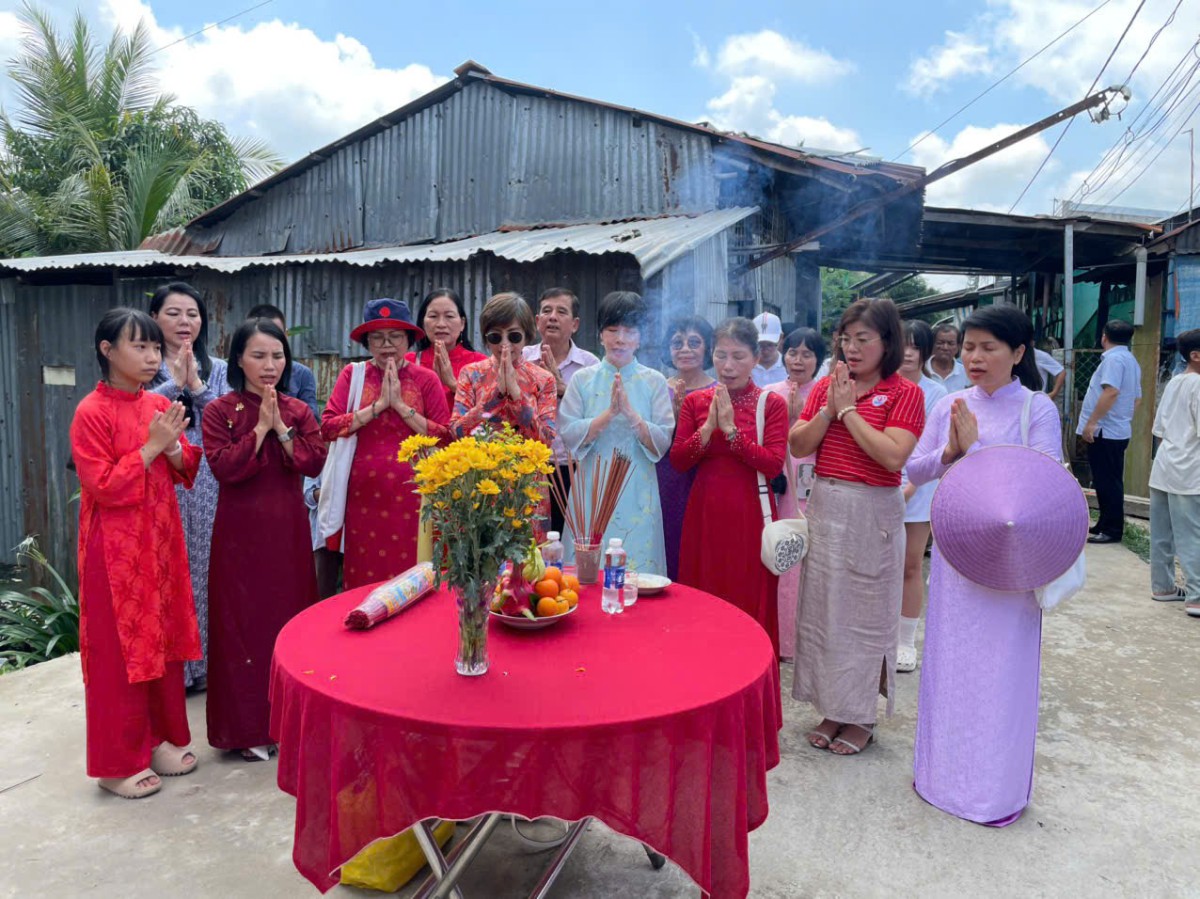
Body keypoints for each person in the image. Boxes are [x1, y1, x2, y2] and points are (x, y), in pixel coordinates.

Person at [907, 304, 1059, 826]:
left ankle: (992, 792)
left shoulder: (1036, 408)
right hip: (957, 553)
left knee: (1002, 673)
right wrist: (950, 453)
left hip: (1012, 563)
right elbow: (915, 468)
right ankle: (941, 777)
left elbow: (1044, 481)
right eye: (969, 347)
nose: (974, 357)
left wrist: (977, 448)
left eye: (988, 348)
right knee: (951, 664)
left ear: (1017, 353)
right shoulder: (950, 404)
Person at [70, 308, 202, 799]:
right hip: (114, 551)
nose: (150, 357)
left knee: (161, 643)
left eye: (154, 348)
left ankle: (158, 739)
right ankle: (116, 763)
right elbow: (102, 485)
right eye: (139, 346)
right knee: (118, 654)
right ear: (107, 350)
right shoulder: (90, 412)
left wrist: (170, 448)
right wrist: (151, 447)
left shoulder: (157, 404)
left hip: (160, 544)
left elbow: (186, 465)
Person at [789, 298, 925, 755]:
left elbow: (893, 456)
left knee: (866, 617)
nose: (851, 347)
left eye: (862, 339)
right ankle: (832, 708)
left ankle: (861, 714)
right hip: (827, 505)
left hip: (872, 510)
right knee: (825, 612)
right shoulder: (828, 386)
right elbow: (798, 444)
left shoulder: (905, 393)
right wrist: (829, 410)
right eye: (846, 338)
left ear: (887, 342)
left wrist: (848, 413)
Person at [204, 320, 327, 760]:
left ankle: (292, 722)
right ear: (239, 359)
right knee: (241, 624)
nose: (269, 365)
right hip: (239, 535)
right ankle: (247, 729)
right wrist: (259, 429)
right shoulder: (219, 411)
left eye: (277, 356)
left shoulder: (298, 410)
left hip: (288, 532)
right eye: (258, 355)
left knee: (289, 618)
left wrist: (282, 430)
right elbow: (224, 467)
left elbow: (314, 462)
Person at [670, 317, 788, 655]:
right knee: (704, 590)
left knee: (746, 590)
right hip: (705, 509)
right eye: (721, 356)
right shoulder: (696, 401)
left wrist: (732, 433)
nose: (728, 366)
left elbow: (773, 464)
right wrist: (708, 429)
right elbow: (679, 460)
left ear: (755, 358)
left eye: (738, 356)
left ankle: (747, 661)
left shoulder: (771, 403)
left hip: (749, 511)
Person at [321, 299, 450, 588]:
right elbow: (328, 427)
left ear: (409, 340)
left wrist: (402, 408)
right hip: (363, 496)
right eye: (377, 337)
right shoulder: (353, 375)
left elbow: (446, 436)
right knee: (364, 576)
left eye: (395, 336)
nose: (386, 344)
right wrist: (377, 406)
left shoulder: (426, 379)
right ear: (367, 342)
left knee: (413, 577)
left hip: (416, 496)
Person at [148, 282, 230, 692]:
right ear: (154, 318)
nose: (184, 321)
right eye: (174, 313)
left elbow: (228, 420)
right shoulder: (143, 366)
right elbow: (138, 414)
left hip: (208, 479)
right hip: (161, 476)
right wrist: (173, 384)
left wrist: (196, 384)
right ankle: (172, 672)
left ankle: (204, 666)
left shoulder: (219, 368)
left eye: (192, 314)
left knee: (205, 569)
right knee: (167, 569)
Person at [558, 292, 673, 572]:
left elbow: (662, 440)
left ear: (640, 338)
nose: (620, 339)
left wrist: (631, 414)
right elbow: (568, 432)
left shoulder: (655, 381)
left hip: (638, 483)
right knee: (588, 568)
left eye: (629, 331)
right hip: (591, 483)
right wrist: (609, 414)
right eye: (612, 330)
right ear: (600, 335)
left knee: (638, 567)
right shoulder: (582, 379)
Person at [765, 328, 825, 661]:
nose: (798, 360)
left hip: (813, 486)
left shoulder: (826, 395)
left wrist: (800, 417)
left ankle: (803, 641)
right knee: (779, 556)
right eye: (792, 352)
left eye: (807, 354)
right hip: (777, 485)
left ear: (819, 359)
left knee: (808, 564)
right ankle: (778, 638)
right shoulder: (769, 393)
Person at [522, 288, 600, 533]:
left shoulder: (590, 365)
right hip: (527, 466)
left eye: (561, 312)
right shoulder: (521, 358)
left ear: (575, 324)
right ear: (537, 321)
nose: (552, 317)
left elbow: (596, 415)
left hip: (572, 467)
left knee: (569, 539)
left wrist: (561, 388)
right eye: (547, 311)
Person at [897, 320, 947, 673]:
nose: (908, 353)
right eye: (903, 344)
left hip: (918, 488)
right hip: (879, 485)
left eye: (916, 346)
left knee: (910, 565)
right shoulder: (880, 385)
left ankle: (905, 640)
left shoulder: (936, 394)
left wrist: (911, 485)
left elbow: (933, 447)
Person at [450, 292, 557, 446]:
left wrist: (516, 395)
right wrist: (496, 396)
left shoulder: (544, 378)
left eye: (514, 336)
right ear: (486, 339)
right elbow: (456, 432)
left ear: (526, 336)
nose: (504, 344)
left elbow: (547, 441)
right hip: (480, 461)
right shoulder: (471, 373)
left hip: (526, 461)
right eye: (495, 336)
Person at [656, 316, 716, 580]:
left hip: (702, 476)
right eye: (677, 343)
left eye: (694, 342)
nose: (685, 349)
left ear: (707, 348)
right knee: (666, 539)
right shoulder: (657, 387)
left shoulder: (718, 390)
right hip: (664, 476)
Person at [1148, 329, 1200, 614]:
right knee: (1192, 534)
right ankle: (1197, 596)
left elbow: (1158, 430)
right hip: (1190, 472)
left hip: (1164, 467)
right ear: (1196, 355)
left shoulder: (1174, 382)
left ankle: (1163, 587)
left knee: (1161, 534)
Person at [1078, 319, 1142, 544]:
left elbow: (1111, 392)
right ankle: (1105, 523)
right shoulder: (1130, 360)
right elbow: (1137, 398)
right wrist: (1123, 418)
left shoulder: (1114, 360)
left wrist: (1092, 423)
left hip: (1106, 430)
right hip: (1116, 429)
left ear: (1104, 336)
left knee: (1108, 481)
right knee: (1107, 479)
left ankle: (1112, 530)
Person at [405, 287, 487, 411]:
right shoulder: (408, 362)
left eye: (449, 316)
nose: (441, 324)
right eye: (433, 316)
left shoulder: (481, 364)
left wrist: (453, 384)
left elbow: (490, 411)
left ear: (462, 323)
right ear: (423, 323)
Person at [246, 303, 319, 416]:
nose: (269, 366)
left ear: (286, 335)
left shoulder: (302, 374)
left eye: (276, 334)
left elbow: (312, 420)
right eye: (258, 356)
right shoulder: (224, 406)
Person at [928, 322, 969, 392]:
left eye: (951, 343)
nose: (945, 347)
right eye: (940, 343)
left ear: (958, 347)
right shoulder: (921, 370)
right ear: (932, 344)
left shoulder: (966, 373)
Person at [751, 311, 787, 386]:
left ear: (780, 338)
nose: (765, 351)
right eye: (760, 345)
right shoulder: (746, 367)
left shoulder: (789, 367)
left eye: (770, 345)